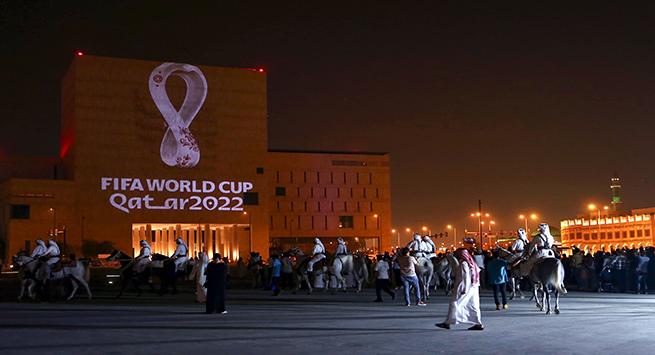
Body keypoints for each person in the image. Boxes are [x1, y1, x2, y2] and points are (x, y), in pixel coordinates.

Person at [435, 248, 484, 330]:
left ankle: (448, 323)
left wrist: (461, 289)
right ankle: (478, 323)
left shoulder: (463, 264)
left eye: (457, 254)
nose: (455, 256)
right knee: (473, 306)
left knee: (454, 303)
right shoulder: (472, 263)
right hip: (473, 288)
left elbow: (463, 278)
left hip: (465, 288)